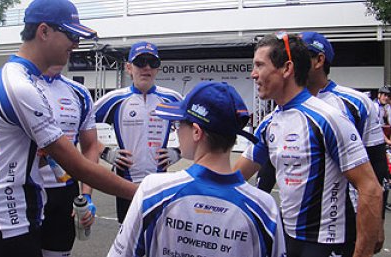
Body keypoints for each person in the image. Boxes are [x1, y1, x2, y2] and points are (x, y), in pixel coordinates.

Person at [0, 0, 136, 257]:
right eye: (70, 35)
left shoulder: (27, 80)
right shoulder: (18, 84)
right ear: (44, 31)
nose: (76, 44)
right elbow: (76, 165)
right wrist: (143, 192)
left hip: (22, 215)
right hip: (3, 220)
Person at [234, 32, 383, 257]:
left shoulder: (328, 118)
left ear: (286, 69)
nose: (253, 74)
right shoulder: (270, 122)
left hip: (327, 243)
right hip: (288, 238)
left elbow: (371, 188)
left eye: (259, 65)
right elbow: (234, 176)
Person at [107, 81, 286, 257]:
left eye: (178, 125)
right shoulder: (265, 208)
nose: (176, 132)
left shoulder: (154, 190)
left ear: (196, 132)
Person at [94, 41, 182, 224]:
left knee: (157, 238)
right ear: (128, 67)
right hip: (125, 183)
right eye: (140, 62)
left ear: (158, 68)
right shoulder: (114, 99)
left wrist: (179, 152)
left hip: (159, 184)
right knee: (127, 238)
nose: (146, 67)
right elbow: (80, 128)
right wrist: (106, 152)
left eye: (152, 62)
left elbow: (197, 132)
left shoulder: (172, 99)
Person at [39, 65, 96, 257]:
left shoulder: (79, 92)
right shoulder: (20, 84)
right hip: (25, 191)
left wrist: (86, 195)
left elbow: (90, 147)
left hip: (65, 192)